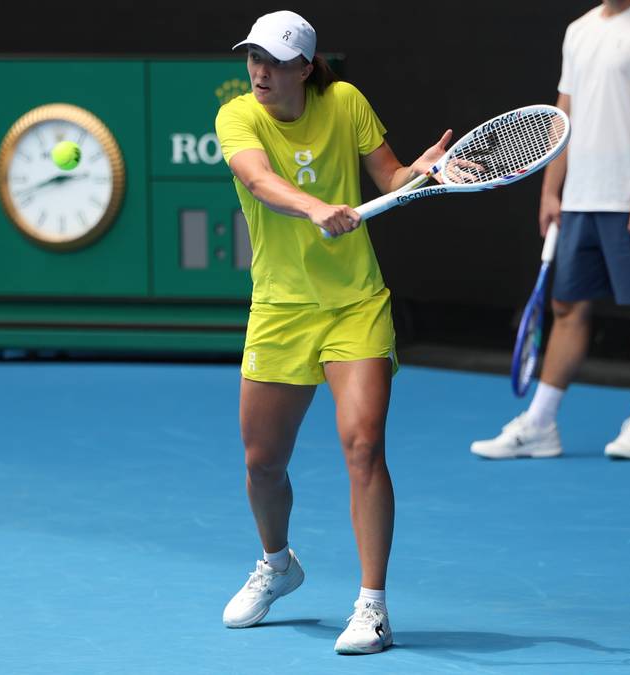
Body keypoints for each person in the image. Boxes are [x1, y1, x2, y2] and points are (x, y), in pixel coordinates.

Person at [215, 9, 451, 655]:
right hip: (282, 309)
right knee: (263, 465)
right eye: (253, 57)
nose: (260, 70)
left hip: (355, 304)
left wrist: (419, 173)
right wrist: (317, 206)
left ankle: (372, 607)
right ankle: (277, 564)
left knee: (363, 446)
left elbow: (391, 180)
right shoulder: (238, 115)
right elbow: (260, 181)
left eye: (275, 60)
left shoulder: (345, 103)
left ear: (305, 67)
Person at [471, 0, 630, 461]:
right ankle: (541, 424)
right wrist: (552, 190)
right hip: (581, 198)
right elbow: (562, 115)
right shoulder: (579, 30)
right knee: (567, 307)